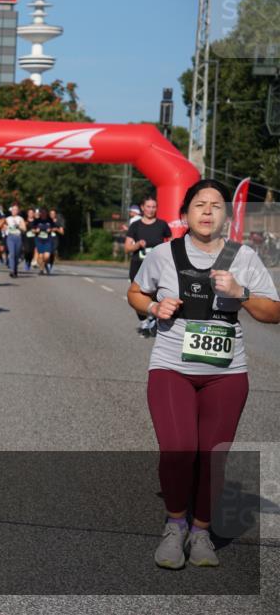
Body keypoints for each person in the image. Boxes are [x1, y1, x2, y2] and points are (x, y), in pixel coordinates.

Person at [127, 178, 280, 569]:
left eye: (216, 205)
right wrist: (153, 308)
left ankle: (200, 531)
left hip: (227, 374)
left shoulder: (243, 257)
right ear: (184, 214)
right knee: (178, 450)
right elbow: (136, 293)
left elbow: (273, 313)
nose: (207, 211)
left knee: (213, 457)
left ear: (227, 216)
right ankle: (175, 524)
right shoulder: (163, 254)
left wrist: (242, 294)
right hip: (171, 368)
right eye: (199, 204)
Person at [125, 196, 172, 337]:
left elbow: (171, 244)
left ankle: (153, 319)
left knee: (157, 295)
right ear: (142, 208)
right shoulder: (135, 225)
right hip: (138, 265)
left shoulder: (162, 225)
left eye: (153, 207)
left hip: (158, 267)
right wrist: (137, 245)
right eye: (148, 207)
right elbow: (127, 248)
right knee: (138, 294)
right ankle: (145, 321)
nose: (151, 210)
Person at [4, 203, 26, 278]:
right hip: (10, 237)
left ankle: (15, 269)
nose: (14, 211)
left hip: (18, 237)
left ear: (18, 211)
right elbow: (3, 227)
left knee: (16, 255)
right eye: (13, 209)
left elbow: (24, 229)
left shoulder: (20, 218)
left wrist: (19, 226)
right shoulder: (7, 219)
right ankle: (12, 270)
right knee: (12, 254)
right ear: (11, 210)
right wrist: (5, 228)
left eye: (16, 210)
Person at [30, 208, 54, 275]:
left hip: (48, 240)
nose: (43, 214)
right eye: (42, 212)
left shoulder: (50, 220)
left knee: (46, 256)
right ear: (40, 213)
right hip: (39, 240)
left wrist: (50, 230)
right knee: (40, 256)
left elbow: (54, 228)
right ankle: (41, 269)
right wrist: (36, 231)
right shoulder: (37, 220)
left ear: (46, 213)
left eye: (44, 212)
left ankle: (45, 264)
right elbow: (32, 230)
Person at [47, 208, 65, 272]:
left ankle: (50, 265)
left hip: (55, 239)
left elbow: (62, 232)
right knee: (47, 252)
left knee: (52, 252)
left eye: (53, 214)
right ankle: (46, 264)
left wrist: (56, 229)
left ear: (55, 214)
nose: (52, 215)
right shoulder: (47, 221)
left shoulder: (59, 221)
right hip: (47, 238)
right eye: (51, 214)